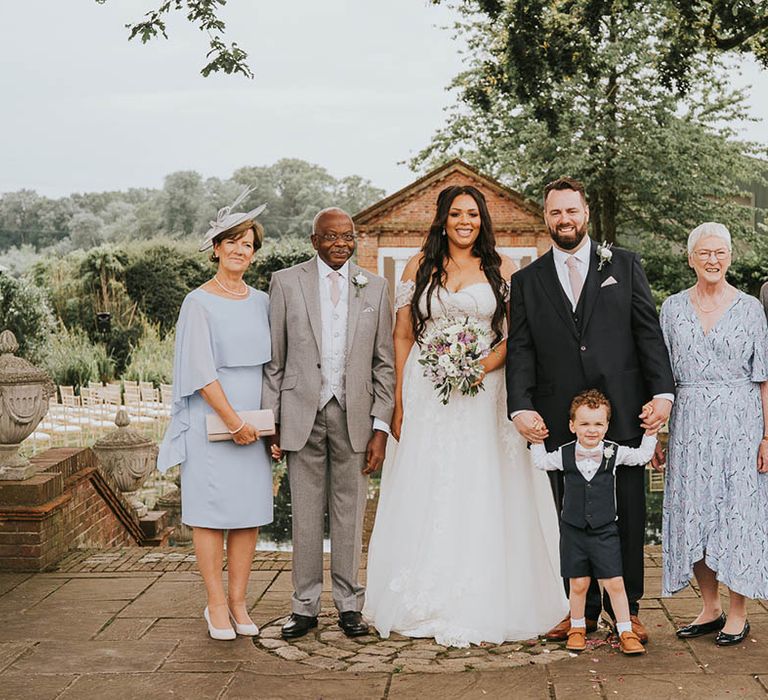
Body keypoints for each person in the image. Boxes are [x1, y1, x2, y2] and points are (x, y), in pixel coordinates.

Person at [364, 185, 567, 648]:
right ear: (442, 218)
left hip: (483, 390)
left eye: (472, 214)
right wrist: (397, 399)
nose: (464, 221)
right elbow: (401, 336)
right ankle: (423, 592)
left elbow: (517, 336)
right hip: (426, 392)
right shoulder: (420, 265)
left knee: (481, 481)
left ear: (482, 221)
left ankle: (486, 593)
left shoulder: (502, 268)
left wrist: (479, 366)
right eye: (456, 213)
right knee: (429, 480)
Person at [507, 177, 675, 644]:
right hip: (558, 414)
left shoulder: (624, 264)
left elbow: (647, 333)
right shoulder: (527, 280)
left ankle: (630, 611)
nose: (565, 219)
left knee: (627, 508)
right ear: (546, 218)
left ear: (586, 214)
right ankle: (578, 611)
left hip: (621, 411)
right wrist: (519, 407)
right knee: (569, 513)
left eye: (572, 211)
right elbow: (520, 349)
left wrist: (663, 395)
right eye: (556, 212)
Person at [261, 207, 395, 640]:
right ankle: (304, 606)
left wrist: (381, 427)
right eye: (331, 236)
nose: (341, 243)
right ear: (314, 239)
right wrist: (272, 422)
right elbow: (274, 363)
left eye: (347, 236)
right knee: (303, 513)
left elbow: (384, 365)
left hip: (355, 415)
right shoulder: (285, 282)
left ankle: (349, 605)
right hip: (301, 413)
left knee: (350, 513)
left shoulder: (375, 287)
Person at [157, 189, 277, 641]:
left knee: (248, 514)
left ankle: (240, 602)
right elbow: (201, 371)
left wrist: (265, 424)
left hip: (255, 421)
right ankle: (214, 604)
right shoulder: (198, 302)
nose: (240, 249)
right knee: (210, 515)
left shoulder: (263, 301)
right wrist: (233, 422)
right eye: (232, 241)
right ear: (216, 248)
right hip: (213, 419)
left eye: (248, 243)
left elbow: (272, 366)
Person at [660, 222, 768, 646]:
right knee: (694, 513)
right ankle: (710, 606)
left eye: (720, 253)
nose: (712, 260)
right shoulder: (670, 308)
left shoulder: (750, 310)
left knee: (738, 515)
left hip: (741, 423)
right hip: (687, 422)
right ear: (690, 258)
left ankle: (738, 612)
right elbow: (663, 376)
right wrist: (662, 434)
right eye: (704, 253)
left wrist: (767, 438)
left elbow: (764, 378)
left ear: (730, 258)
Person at [530, 389, 656, 655]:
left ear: (607, 425)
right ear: (572, 425)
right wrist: (538, 439)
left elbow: (642, 456)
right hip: (573, 532)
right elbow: (540, 462)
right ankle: (577, 628)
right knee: (579, 584)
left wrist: (651, 432)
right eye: (585, 424)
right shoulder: (563, 454)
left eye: (598, 423)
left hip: (605, 531)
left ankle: (625, 630)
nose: (591, 430)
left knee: (615, 583)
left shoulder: (614, 452)